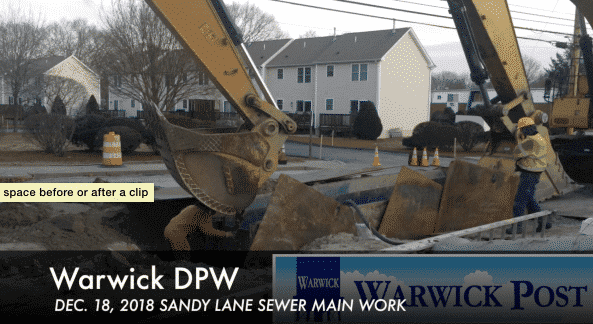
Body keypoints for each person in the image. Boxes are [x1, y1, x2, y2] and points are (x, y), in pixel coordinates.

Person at [506, 117, 552, 234]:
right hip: (534, 173)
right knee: (529, 200)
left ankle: (517, 227)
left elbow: (516, 153)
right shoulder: (539, 138)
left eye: (521, 129)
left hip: (529, 174)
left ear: (526, 129)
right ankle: (544, 222)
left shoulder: (530, 141)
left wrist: (519, 139)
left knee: (519, 201)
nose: (520, 131)